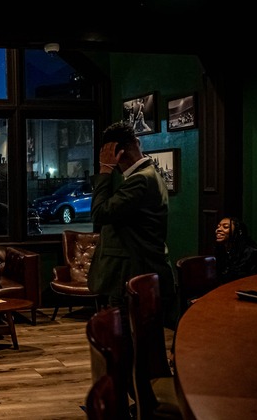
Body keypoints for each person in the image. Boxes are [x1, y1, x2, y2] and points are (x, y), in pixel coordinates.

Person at [87, 121, 178, 418]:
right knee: (133, 349)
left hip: (129, 278)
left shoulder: (141, 181)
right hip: (134, 275)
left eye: (106, 152)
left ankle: (142, 407)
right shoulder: (146, 176)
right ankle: (142, 404)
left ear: (117, 151)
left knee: (126, 350)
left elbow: (100, 213)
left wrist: (104, 171)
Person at [214, 216, 257, 284]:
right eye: (218, 227)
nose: (218, 230)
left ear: (238, 232)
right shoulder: (220, 250)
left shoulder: (248, 252)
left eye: (225, 227)